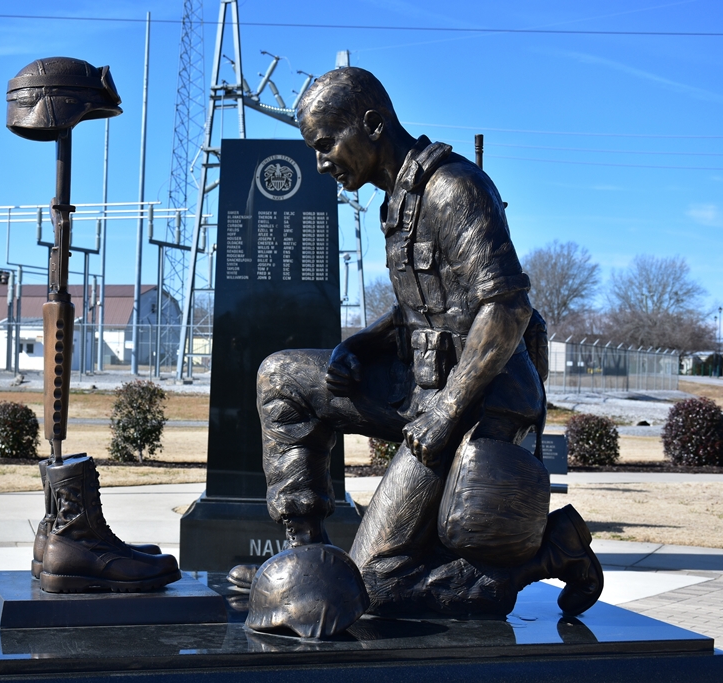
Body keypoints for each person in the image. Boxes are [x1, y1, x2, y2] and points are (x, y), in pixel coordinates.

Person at [249, 67, 603, 619]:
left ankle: (552, 551)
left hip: (478, 404)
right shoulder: (398, 200)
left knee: (371, 591)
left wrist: (447, 412)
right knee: (281, 377)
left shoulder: (454, 187)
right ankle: (308, 558)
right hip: (419, 388)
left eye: (326, 144)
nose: (321, 163)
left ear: (371, 125)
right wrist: (361, 345)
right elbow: (425, 309)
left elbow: (506, 308)